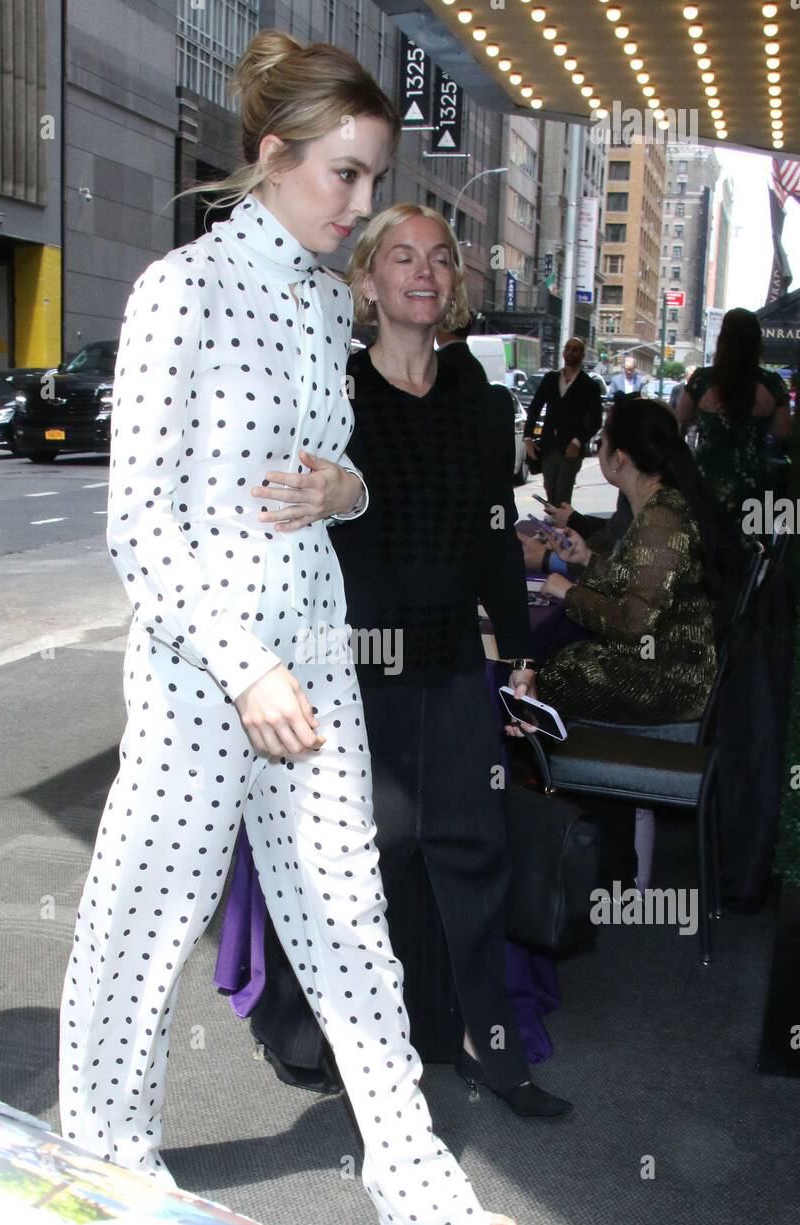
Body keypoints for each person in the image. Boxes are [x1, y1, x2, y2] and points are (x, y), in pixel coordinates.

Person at [58, 30, 523, 1225]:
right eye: (346, 177)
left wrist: (345, 493)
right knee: (142, 921)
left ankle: (413, 1190)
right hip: (203, 665)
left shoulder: (326, 306)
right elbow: (137, 524)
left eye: (372, 178)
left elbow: (343, 476)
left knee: (350, 924)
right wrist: (241, 661)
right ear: (272, 160)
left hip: (315, 646)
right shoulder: (179, 291)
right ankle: (105, 1159)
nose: (361, 206)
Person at [250, 204, 571, 1121]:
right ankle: (332, 1043)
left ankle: (485, 1045)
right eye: (402, 257)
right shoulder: (334, 391)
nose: (423, 273)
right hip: (347, 668)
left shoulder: (481, 400)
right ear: (368, 281)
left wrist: (515, 657)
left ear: (455, 282)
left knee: (475, 854)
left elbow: (495, 540)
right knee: (366, 861)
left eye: (439, 259)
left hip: (447, 663)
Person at [537, 396, 717, 726]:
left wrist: (568, 591)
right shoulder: (659, 505)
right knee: (556, 657)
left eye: (602, 441)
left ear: (619, 459)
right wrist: (587, 559)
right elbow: (642, 587)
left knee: (541, 676)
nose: (600, 448)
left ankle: (534, 770)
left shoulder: (661, 519)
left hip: (671, 681)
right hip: (666, 664)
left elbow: (634, 625)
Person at [675, 307, 792, 533]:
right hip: (754, 476)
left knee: (705, 538)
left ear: (723, 340)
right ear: (757, 342)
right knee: (752, 542)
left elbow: (682, 416)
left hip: (707, 473)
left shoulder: (702, 379)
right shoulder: (772, 384)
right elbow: (782, 431)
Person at [523, 338, 603, 506]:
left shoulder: (589, 385)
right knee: (550, 490)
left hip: (570, 450)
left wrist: (578, 442)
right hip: (548, 447)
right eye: (567, 348)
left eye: (575, 349)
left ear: (582, 354)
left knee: (563, 495)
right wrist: (528, 438)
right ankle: (553, 528)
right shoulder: (550, 379)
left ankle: (561, 528)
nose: (570, 352)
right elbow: (535, 408)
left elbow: (595, 420)